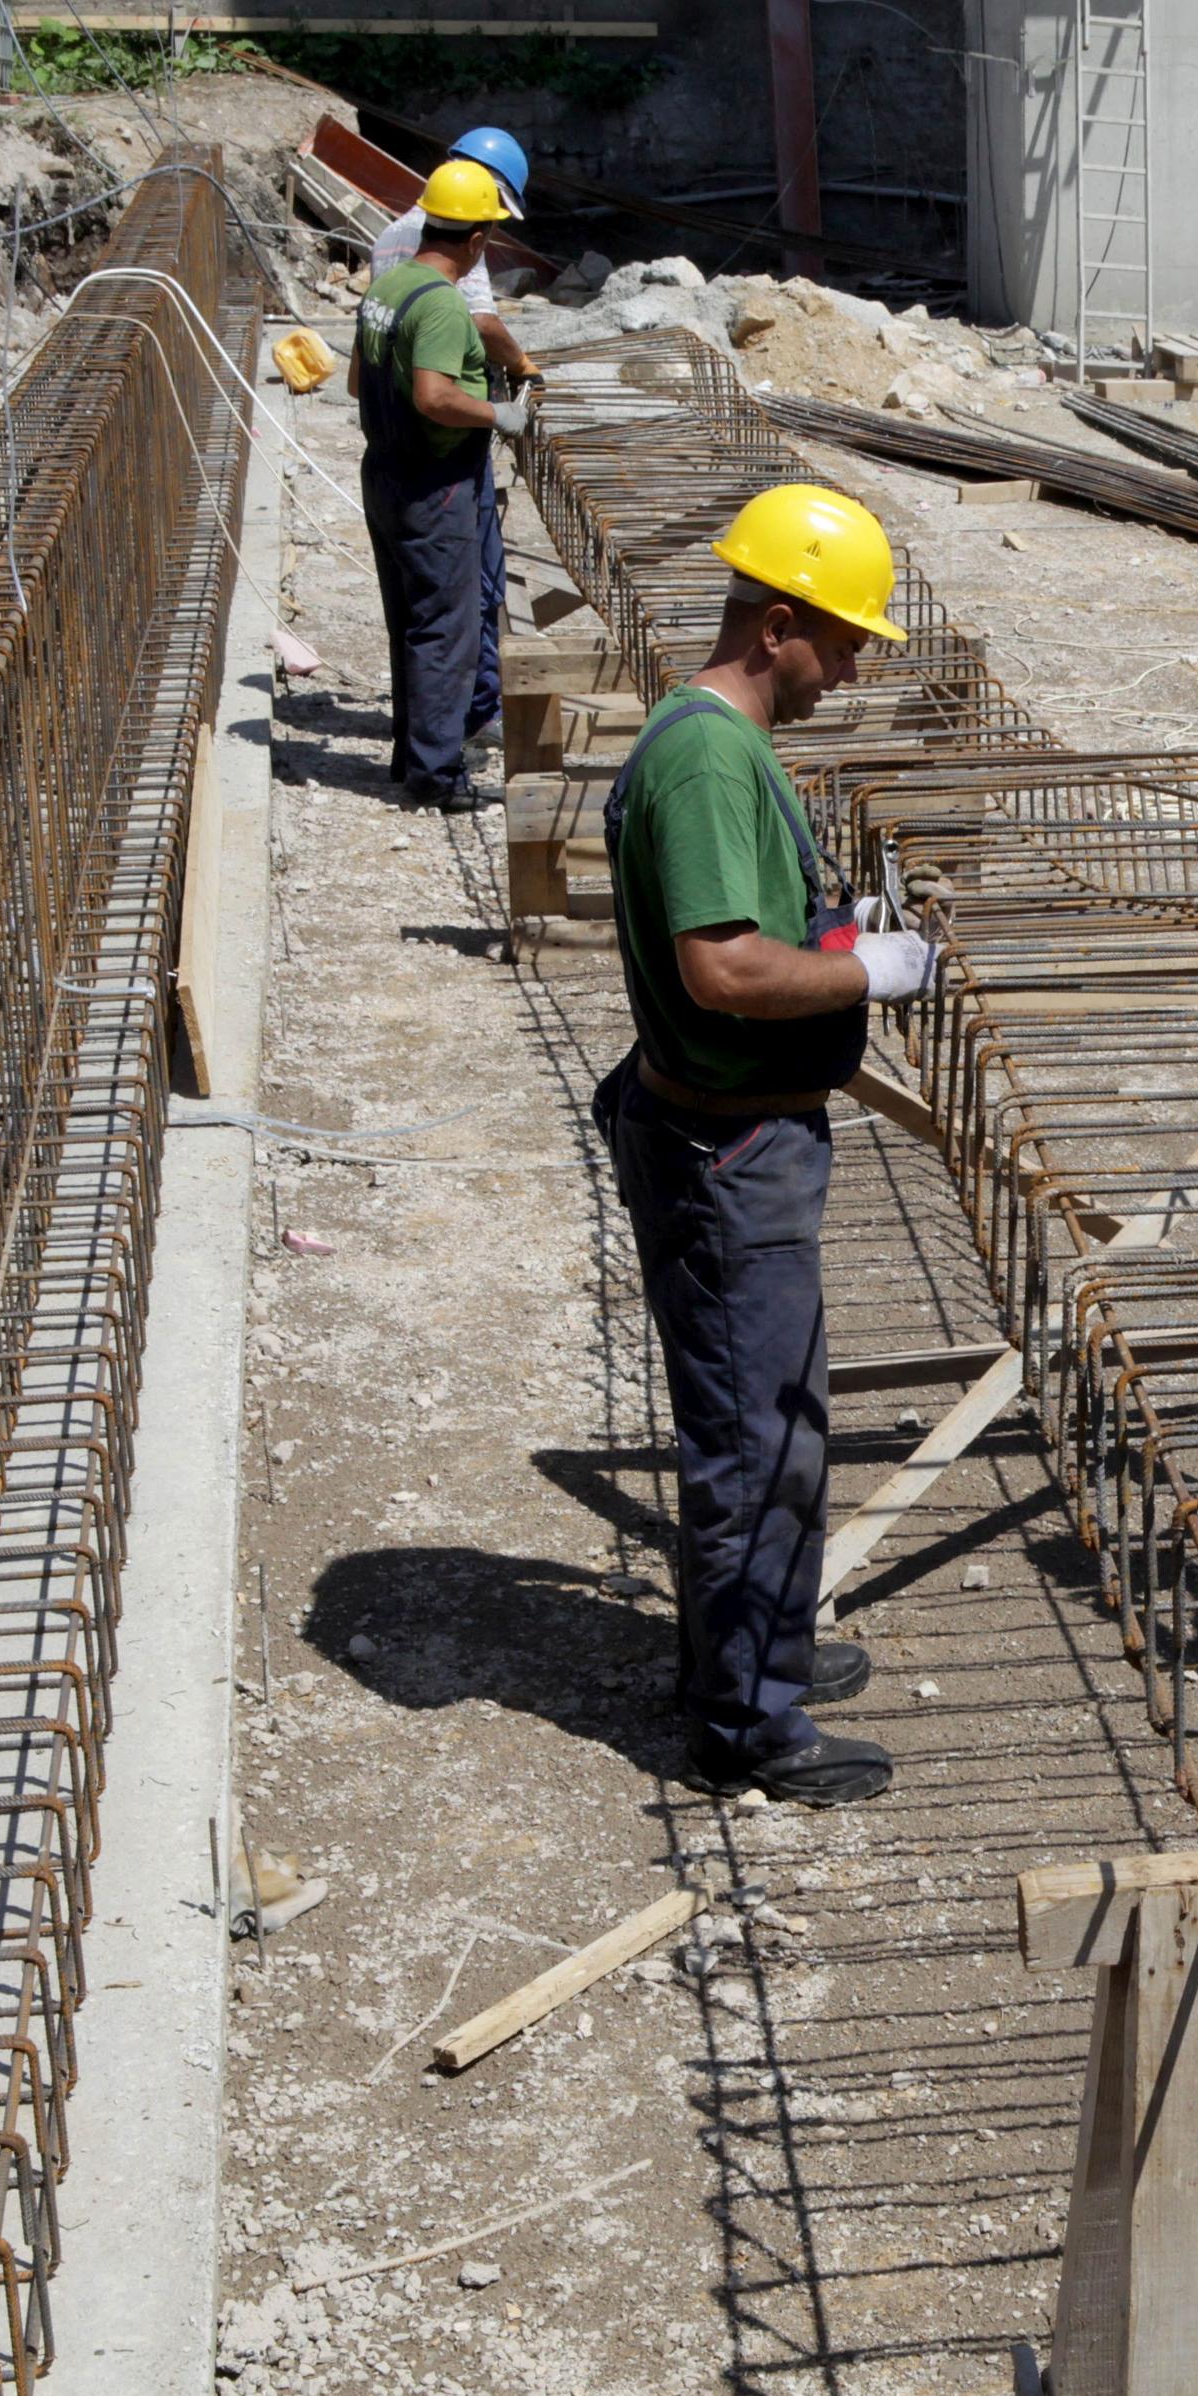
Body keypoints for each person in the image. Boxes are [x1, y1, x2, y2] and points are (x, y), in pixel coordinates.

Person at [591, 484, 939, 1809]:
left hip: (739, 1136)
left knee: (772, 1421)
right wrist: (868, 976)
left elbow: (756, 925)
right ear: (777, 624)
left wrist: (834, 927)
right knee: (763, 1440)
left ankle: (763, 1647)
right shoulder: (701, 758)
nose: (854, 670)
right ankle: (749, 1724)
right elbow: (725, 971)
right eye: (845, 642)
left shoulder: (724, 747)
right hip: (725, 1152)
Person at [352, 157, 530, 813]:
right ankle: (435, 774)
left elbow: (356, 383)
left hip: (386, 472)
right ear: (477, 240)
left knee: (409, 619)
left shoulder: (386, 289)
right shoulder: (444, 308)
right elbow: (434, 395)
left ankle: (412, 754)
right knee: (447, 630)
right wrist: (496, 413)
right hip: (437, 483)